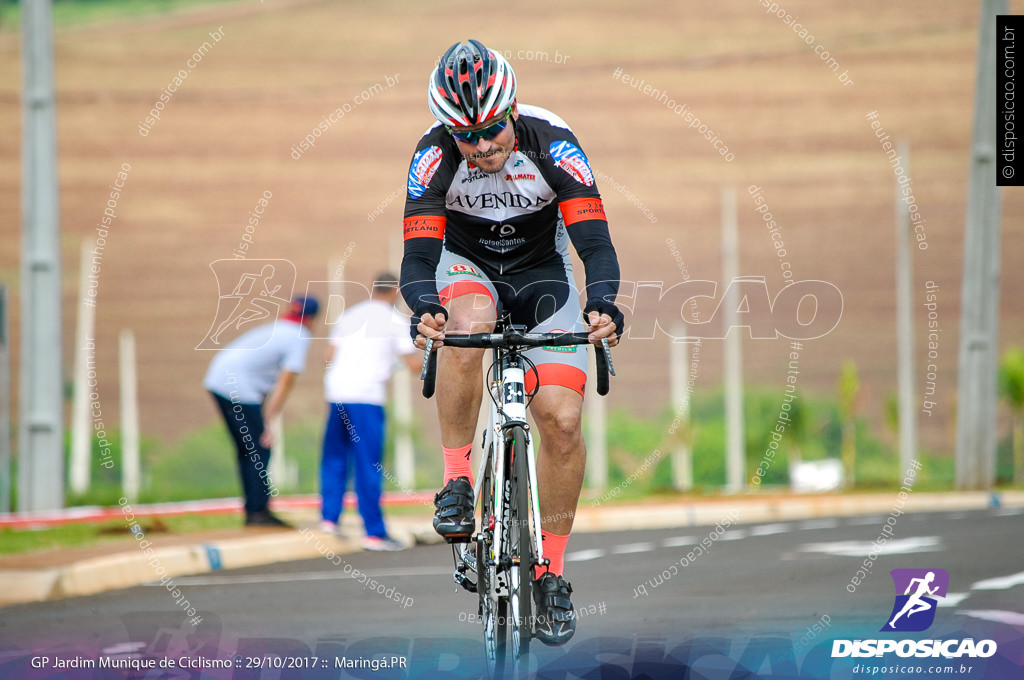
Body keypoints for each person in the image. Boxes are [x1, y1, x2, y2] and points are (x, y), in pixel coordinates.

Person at [400, 39, 624, 646]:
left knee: (562, 420)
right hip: (466, 268)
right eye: (466, 136)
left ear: (513, 111)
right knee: (465, 321)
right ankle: (457, 479)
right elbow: (418, 258)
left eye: (493, 130)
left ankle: (550, 570)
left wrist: (602, 302)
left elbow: (595, 246)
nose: (481, 146)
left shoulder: (553, 142)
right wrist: (426, 310)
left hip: (542, 276)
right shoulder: (433, 155)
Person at [320, 274, 421, 551]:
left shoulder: (350, 315)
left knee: (335, 456)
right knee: (368, 464)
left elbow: (329, 356)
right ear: (396, 291)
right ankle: (374, 532)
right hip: (366, 397)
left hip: (337, 392)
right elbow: (414, 364)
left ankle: (328, 519)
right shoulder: (394, 320)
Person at [204, 296, 320, 527]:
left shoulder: (277, 328)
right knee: (258, 449)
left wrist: (263, 415)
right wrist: (269, 418)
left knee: (248, 450)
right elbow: (286, 380)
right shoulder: (299, 335)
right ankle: (258, 513)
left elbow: (261, 373)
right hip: (237, 387)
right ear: (312, 319)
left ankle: (254, 509)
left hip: (219, 378)